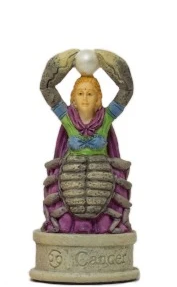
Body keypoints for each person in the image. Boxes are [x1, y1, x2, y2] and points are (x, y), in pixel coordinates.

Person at [40, 49, 133, 233]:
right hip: (71, 184)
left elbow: (126, 91)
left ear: (98, 98)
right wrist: (63, 65)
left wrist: (108, 63)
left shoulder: (106, 118)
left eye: (90, 94)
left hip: (101, 182)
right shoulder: (67, 119)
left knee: (108, 221)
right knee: (61, 220)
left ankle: (114, 225)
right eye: (80, 93)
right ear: (73, 97)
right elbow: (46, 88)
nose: (84, 98)